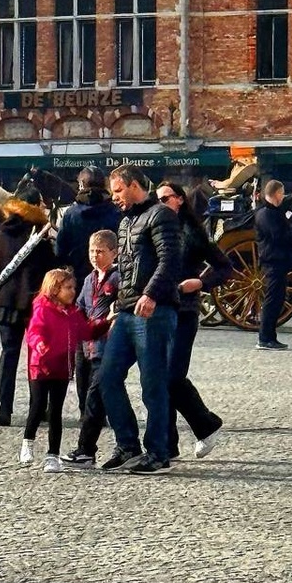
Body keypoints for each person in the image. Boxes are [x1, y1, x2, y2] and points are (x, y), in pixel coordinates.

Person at [99, 164, 182, 476]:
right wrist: (115, 302)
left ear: (134, 185)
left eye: (118, 191)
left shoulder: (161, 215)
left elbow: (170, 259)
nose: (115, 197)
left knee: (152, 383)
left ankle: (158, 453)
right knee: (107, 377)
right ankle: (128, 445)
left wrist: (151, 294)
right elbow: (125, 267)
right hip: (126, 310)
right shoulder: (125, 222)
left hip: (154, 310)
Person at [157, 180, 232, 459]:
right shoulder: (156, 229)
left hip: (185, 311)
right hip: (159, 310)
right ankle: (167, 445)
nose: (161, 204)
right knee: (159, 378)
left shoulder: (192, 232)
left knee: (173, 377)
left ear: (179, 199)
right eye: (157, 200)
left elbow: (224, 267)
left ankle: (207, 424)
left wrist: (200, 283)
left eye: (165, 198)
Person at [19, 267, 110, 473]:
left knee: (56, 412)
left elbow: (86, 331)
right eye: (68, 288)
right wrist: (40, 344)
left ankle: (52, 455)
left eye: (73, 288)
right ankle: (28, 441)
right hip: (41, 367)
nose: (72, 292)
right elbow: (34, 331)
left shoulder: (73, 313)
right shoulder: (42, 309)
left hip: (62, 368)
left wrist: (106, 322)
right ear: (54, 289)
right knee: (38, 406)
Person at [0, 189, 55, 427]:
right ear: (35, 205)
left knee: (8, 354)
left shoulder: (4, 230)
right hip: (32, 300)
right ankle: (38, 408)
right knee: (37, 355)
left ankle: (3, 409)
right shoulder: (39, 231)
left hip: (6, 300)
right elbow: (48, 266)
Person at [54, 167, 120, 413]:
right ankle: (101, 407)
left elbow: (60, 251)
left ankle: (85, 408)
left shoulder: (71, 214)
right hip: (110, 284)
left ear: (80, 185)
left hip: (78, 286)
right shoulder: (115, 212)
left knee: (80, 351)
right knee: (107, 351)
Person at [61, 229, 120, 470]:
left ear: (114, 253)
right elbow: (80, 308)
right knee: (86, 396)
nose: (95, 256)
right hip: (84, 345)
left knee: (95, 399)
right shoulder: (88, 279)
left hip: (105, 346)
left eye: (100, 252)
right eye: (92, 251)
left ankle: (86, 449)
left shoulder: (117, 278)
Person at [254, 179, 292, 350]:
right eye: (282, 193)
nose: (283, 196)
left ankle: (270, 337)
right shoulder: (266, 214)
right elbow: (279, 237)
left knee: (277, 301)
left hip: (278, 260)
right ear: (277, 193)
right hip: (273, 260)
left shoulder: (272, 212)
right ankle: (265, 338)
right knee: (272, 301)